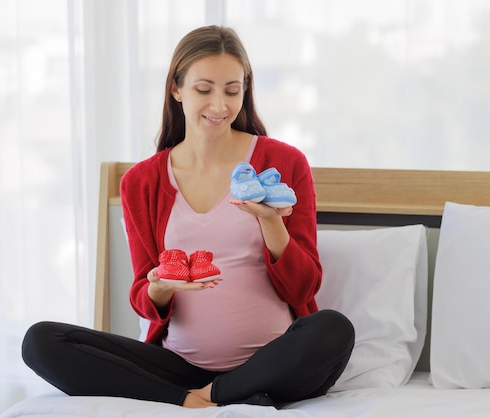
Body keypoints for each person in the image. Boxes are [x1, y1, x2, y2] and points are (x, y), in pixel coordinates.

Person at [21, 25, 355, 409]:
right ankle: (196, 399)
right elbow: (143, 299)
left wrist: (270, 221)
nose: (219, 105)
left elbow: (304, 288)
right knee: (40, 341)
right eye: (204, 89)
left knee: (334, 330)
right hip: (177, 365)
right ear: (177, 89)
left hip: (270, 362)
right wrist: (160, 286)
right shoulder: (141, 182)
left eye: (232, 90)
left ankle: (210, 397)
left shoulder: (283, 163)